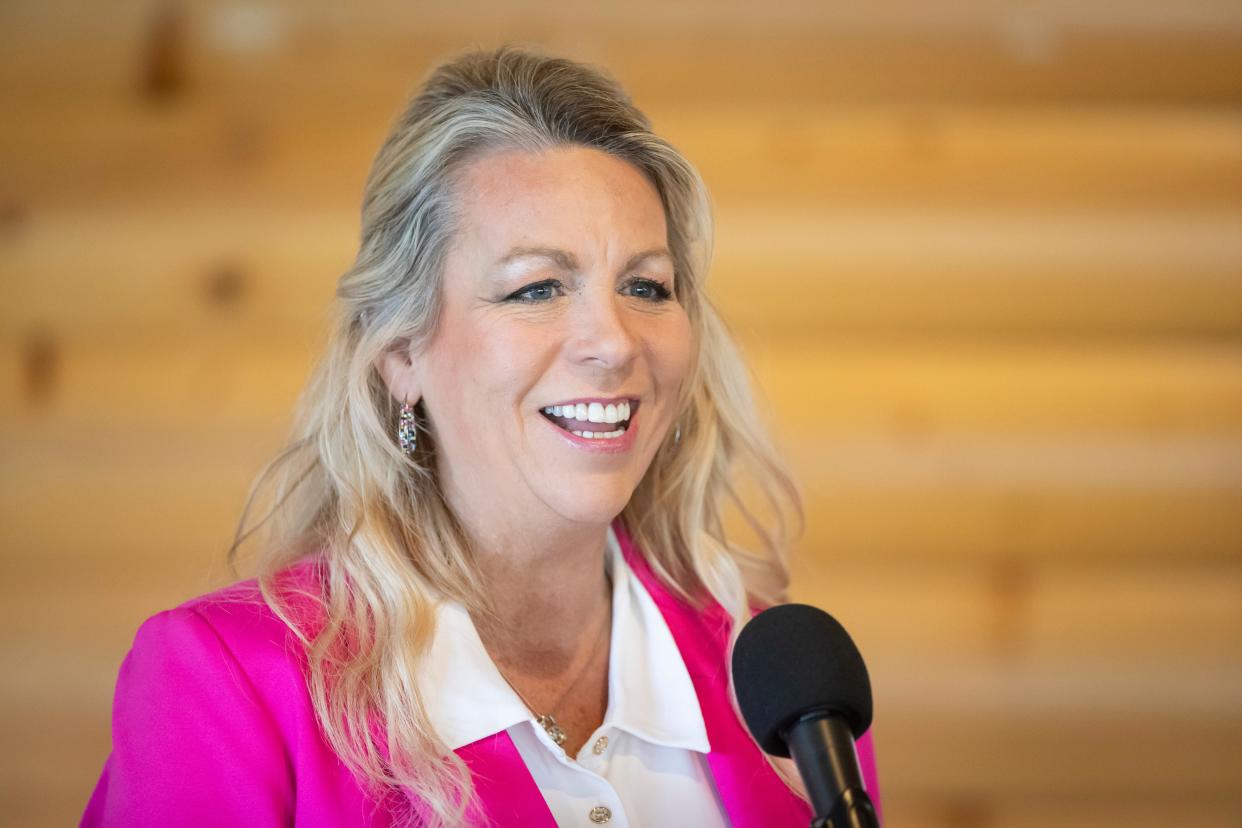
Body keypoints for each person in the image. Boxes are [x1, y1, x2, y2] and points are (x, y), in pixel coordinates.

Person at [82, 45, 880, 827]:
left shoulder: (791, 691)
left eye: (646, 285)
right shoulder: (233, 684)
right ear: (402, 356)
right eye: (536, 287)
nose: (614, 342)